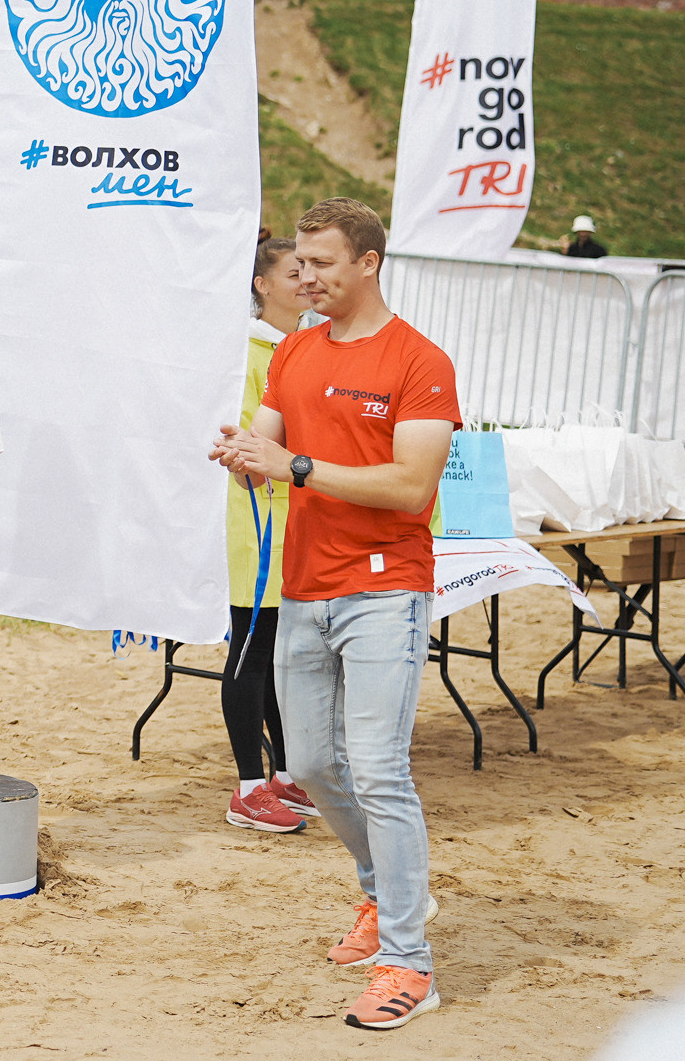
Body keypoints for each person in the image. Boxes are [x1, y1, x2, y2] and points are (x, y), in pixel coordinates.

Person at [212, 197, 459, 1033]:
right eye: (300, 264)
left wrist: (294, 464)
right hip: (304, 585)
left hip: (387, 587)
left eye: (321, 263)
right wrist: (246, 459)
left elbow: (410, 487)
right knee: (314, 767)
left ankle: (409, 964)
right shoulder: (295, 354)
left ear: (368, 264)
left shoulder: (420, 361)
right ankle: (392, 895)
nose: (304, 277)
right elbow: (270, 454)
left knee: (382, 769)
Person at [220, 237, 315, 837]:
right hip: (256, 521)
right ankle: (248, 787)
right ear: (261, 284)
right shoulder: (248, 351)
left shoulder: (301, 347)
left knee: (282, 658)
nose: (305, 279)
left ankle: (284, 775)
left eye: (310, 269)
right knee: (251, 653)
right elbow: (245, 446)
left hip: (298, 518)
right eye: (292, 271)